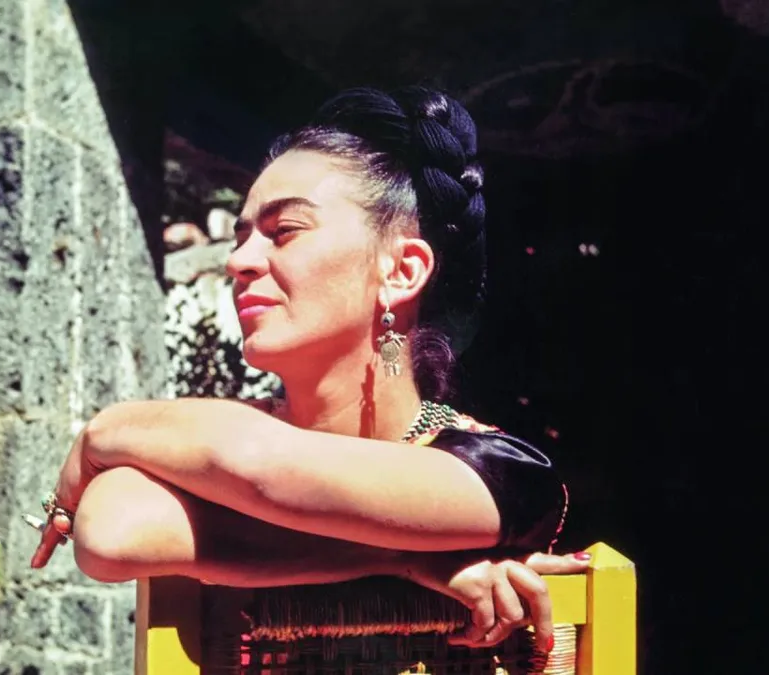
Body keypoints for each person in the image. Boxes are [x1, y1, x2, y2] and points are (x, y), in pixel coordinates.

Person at [29, 86, 587, 653]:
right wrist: (406, 555)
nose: (238, 261)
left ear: (402, 271)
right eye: (241, 237)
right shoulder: (218, 449)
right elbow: (111, 531)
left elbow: (260, 465)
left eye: (285, 231)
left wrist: (107, 429)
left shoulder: (502, 474)